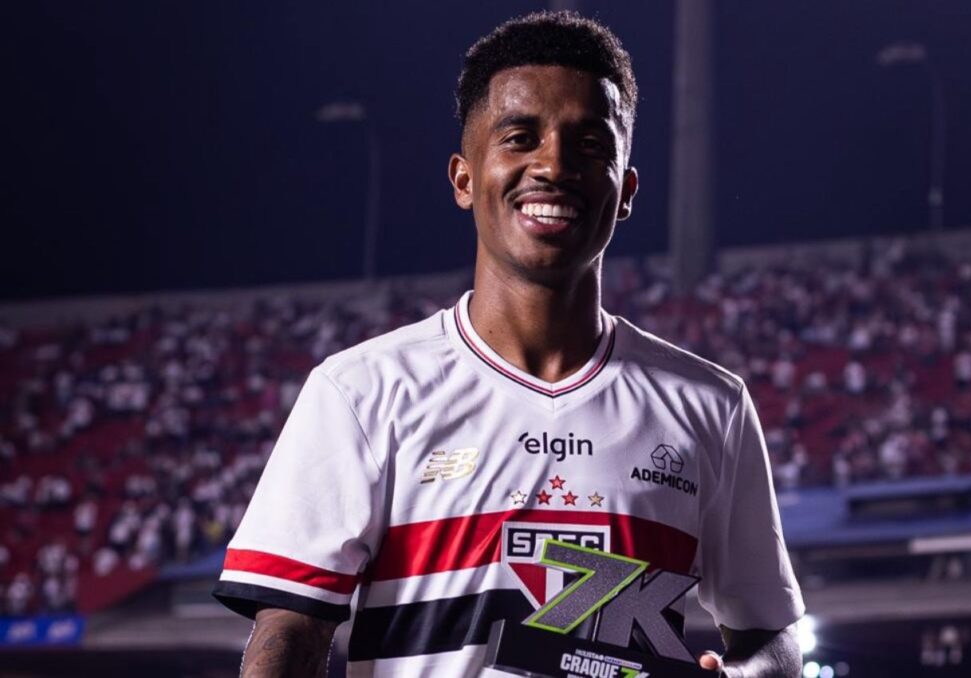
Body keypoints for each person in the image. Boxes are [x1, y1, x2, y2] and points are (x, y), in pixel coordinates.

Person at [214, 11, 804, 677]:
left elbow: (773, 642)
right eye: (521, 138)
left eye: (589, 144)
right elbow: (289, 636)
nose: (553, 165)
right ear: (465, 178)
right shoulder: (361, 392)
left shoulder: (711, 406)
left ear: (627, 190)